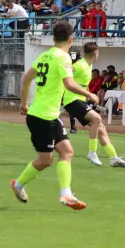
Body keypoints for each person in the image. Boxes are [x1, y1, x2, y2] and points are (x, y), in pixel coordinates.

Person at [11, 21, 99, 210]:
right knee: (46, 160)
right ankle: (18, 185)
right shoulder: (63, 57)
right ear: (71, 39)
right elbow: (68, 83)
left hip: (48, 115)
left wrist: (23, 103)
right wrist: (89, 94)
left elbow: (26, 79)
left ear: (53, 38)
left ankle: (65, 194)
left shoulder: (45, 55)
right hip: (42, 117)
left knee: (67, 152)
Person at [62, 43, 125, 167]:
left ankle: (113, 158)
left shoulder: (89, 65)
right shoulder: (79, 65)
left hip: (80, 100)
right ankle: (92, 152)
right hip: (71, 100)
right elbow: (65, 74)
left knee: (101, 128)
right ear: (95, 53)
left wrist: (88, 96)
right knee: (97, 119)